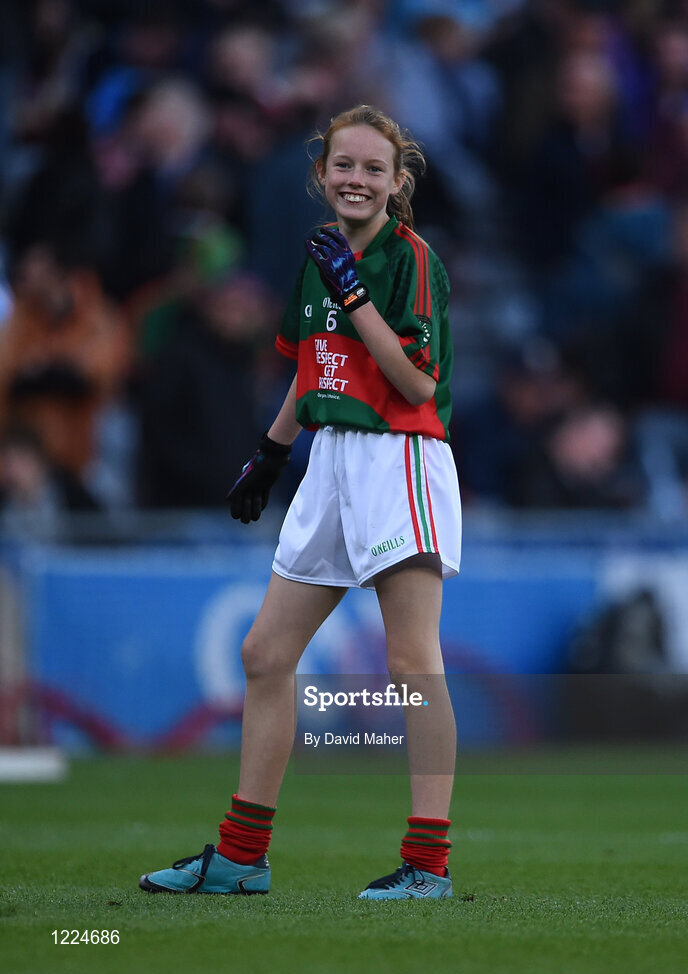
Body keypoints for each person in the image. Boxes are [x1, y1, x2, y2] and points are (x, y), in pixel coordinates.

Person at [139, 104, 462, 900]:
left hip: (399, 459)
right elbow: (312, 366)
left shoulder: (411, 258)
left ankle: (428, 865)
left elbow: (418, 383)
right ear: (321, 175)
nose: (356, 179)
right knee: (264, 655)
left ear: (397, 182)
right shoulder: (318, 257)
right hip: (331, 463)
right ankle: (242, 857)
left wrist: (356, 299)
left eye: (373, 169)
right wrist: (271, 451)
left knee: (412, 664)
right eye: (343, 166)